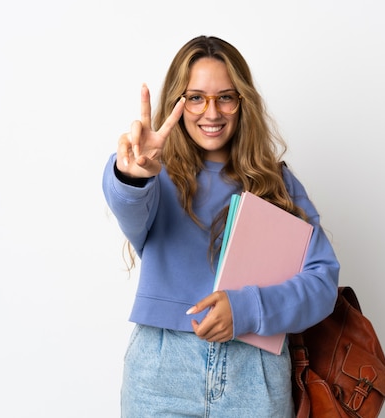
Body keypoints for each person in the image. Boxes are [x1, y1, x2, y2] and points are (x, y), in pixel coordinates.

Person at [102, 35, 340, 417]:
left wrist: (246, 308)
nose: (211, 112)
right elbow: (127, 202)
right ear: (177, 103)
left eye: (225, 97)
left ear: (242, 102)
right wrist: (131, 175)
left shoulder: (276, 183)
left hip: (255, 373)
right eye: (195, 97)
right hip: (162, 370)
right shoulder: (150, 174)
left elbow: (322, 282)